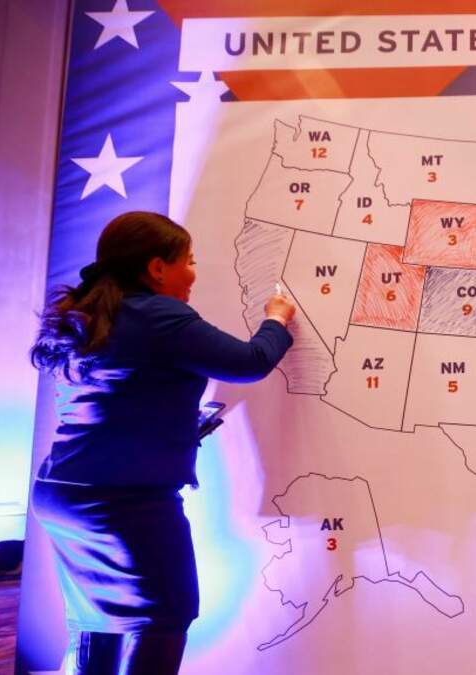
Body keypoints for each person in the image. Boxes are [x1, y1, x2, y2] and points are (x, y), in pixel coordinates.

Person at [29, 211, 296, 674]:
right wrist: (276, 319)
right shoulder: (158, 315)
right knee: (165, 616)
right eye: (188, 261)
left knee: (96, 620)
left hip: (63, 496)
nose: (193, 273)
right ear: (157, 267)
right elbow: (249, 361)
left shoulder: (89, 311)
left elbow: (116, 398)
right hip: (125, 504)